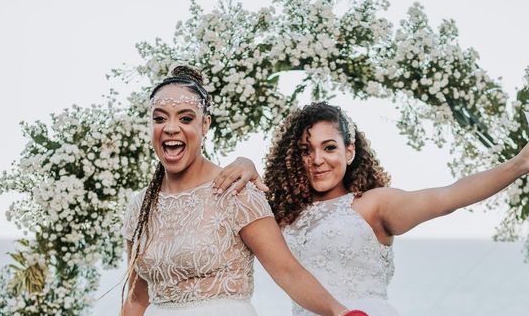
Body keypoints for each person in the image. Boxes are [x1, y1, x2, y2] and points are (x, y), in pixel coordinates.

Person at [214, 101, 529, 315]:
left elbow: (449, 197)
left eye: (329, 147)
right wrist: (245, 160)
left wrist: (519, 164)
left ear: (349, 152)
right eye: (307, 150)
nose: (317, 159)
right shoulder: (282, 214)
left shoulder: (373, 204)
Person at [120, 67, 366, 316]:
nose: (171, 128)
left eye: (185, 119)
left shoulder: (236, 190)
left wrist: (341, 312)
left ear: (205, 124)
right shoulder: (139, 207)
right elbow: (137, 299)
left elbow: (287, 272)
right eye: (160, 118)